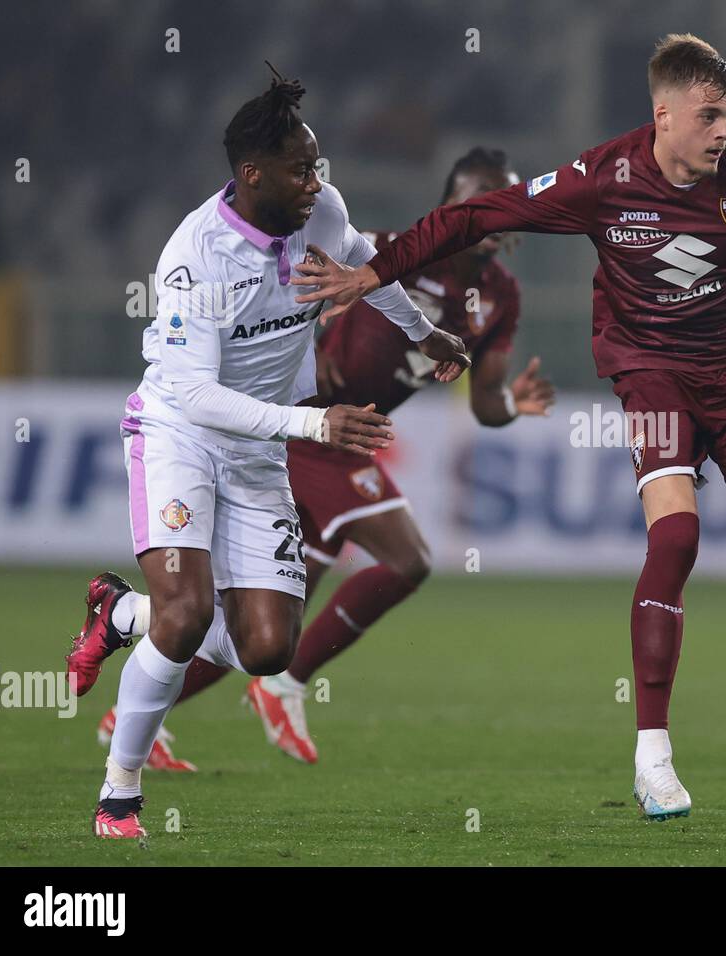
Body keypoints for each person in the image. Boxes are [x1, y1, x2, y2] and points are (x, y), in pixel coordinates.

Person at [291, 35, 726, 821]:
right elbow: (479, 213)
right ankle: (652, 757)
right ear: (664, 114)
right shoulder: (602, 179)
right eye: (709, 115)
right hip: (654, 372)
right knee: (676, 542)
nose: (724, 129)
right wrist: (373, 273)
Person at [67, 67, 469, 838]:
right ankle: (119, 793)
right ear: (253, 174)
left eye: (316, 164)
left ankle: (122, 614)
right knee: (186, 618)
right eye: (300, 167)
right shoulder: (195, 260)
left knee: (264, 647)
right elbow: (196, 395)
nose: (315, 181)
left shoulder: (323, 211)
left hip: (257, 454)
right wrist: (315, 425)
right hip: (182, 436)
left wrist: (425, 330)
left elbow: (359, 269)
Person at [95, 148, 555, 768]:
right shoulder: (390, 248)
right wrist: (313, 338)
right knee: (408, 557)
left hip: (343, 434)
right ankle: (280, 687)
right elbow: (288, 286)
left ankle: (133, 698)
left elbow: (487, 402)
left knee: (263, 628)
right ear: (449, 206)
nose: (488, 218)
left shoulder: (500, 296)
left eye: (499, 205)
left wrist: (511, 403)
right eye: (475, 203)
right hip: (311, 428)